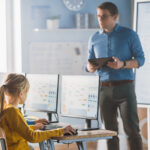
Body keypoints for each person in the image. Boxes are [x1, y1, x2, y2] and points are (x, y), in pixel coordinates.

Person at [87, 2, 145, 150]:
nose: (100, 20)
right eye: (98, 16)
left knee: (132, 131)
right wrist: (89, 67)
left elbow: (141, 60)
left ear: (115, 16)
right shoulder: (94, 38)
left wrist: (123, 64)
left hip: (125, 88)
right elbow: (88, 63)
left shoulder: (129, 34)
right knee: (110, 133)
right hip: (103, 90)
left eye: (104, 16)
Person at [0, 73, 75, 150]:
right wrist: (61, 130)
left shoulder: (5, 108)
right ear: (21, 93)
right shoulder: (13, 112)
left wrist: (33, 127)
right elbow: (33, 137)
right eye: (27, 92)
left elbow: (16, 130)